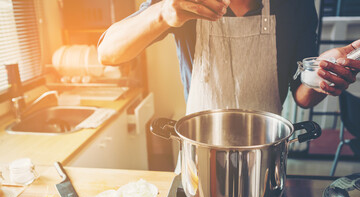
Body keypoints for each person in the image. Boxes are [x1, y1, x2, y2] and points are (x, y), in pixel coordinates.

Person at [97, 0, 360, 116]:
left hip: (265, 158)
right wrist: (163, 13)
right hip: (200, 153)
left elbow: (302, 97)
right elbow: (107, 52)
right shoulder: (185, 2)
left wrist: (324, 74)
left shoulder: (295, 4)